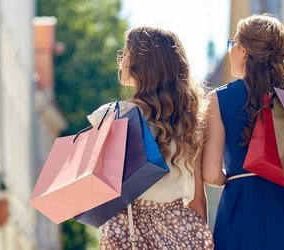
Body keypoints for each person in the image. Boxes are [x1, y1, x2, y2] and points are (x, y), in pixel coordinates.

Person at [91, 26, 214, 250]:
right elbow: (197, 199)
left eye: (126, 53)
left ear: (142, 64)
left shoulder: (114, 115)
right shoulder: (190, 120)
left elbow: (100, 189)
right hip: (180, 226)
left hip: (129, 228)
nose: (121, 60)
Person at [202, 14, 284, 250]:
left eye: (232, 45)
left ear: (243, 51)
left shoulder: (218, 99)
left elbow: (211, 174)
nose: (230, 51)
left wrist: (233, 177)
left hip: (241, 206)